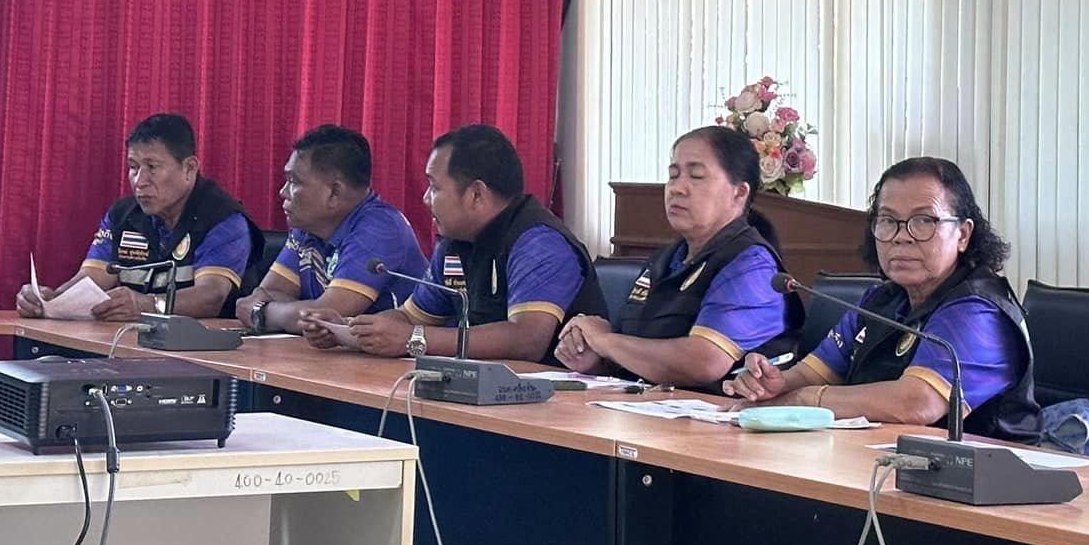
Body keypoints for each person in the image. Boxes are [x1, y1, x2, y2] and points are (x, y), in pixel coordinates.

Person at [725, 156, 1040, 441]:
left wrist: (807, 399)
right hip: (878, 463)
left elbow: (916, 403)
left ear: (963, 234)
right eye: (888, 221)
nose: (901, 236)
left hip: (985, 479)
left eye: (924, 221)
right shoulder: (882, 299)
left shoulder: (980, 311)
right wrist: (773, 384)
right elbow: (813, 373)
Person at [325, 123, 602, 362]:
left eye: (435, 187)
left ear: (476, 195)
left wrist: (414, 339)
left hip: (551, 396)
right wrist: (352, 331)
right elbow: (410, 317)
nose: (425, 199)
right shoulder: (455, 243)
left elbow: (527, 339)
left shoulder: (539, 242)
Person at [554, 126, 801, 388]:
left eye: (696, 176)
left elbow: (704, 362)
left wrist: (605, 342)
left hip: (720, 411)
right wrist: (596, 359)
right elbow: (643, 351)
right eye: (673, 175)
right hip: (650, 406)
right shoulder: (667, 259)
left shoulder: (752, 266)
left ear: (739, 193)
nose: (676, 188)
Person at [17, 113, 261, 321]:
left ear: (189, 168)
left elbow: (210, 297)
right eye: (133, 167)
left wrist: (147, 305)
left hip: (207, 351)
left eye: (152, 167)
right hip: (134, 343)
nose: (139, 181)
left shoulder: (224, 219)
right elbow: (90, 280)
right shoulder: (122, 216)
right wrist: (50, 300)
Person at [233, 125, 427, 334]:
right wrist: (281, 310)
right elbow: (266, 293)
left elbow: (327, 316)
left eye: (293, 181)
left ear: (334, 192)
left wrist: (262, 313)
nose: (283, 192)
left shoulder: (380, 229)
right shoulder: (308, 226)